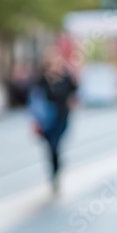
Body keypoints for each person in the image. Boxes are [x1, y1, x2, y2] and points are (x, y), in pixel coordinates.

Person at [36, 52, 78, 194]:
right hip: (46, 119)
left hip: (62, 116)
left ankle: (56, 170)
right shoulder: (42, 80)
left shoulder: (66, 78)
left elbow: (74, 91)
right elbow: (35, 98)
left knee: (56, 144)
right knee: (50, 147)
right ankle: (54, 170)